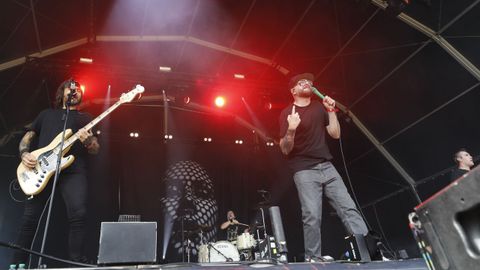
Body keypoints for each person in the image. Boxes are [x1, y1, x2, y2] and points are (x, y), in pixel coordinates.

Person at [278, 73, 368, 262]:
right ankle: (313, 258)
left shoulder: (319, 107)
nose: (307, 83)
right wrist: (291, 129)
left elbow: (335, 134)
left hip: (327, 166)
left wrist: (331, 111)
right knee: (312, 214)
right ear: (293, 90)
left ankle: (367, 251)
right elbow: (285, 149)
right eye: (301, 82)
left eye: (309, 82)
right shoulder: (287, 113)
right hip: (304, 169)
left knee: (348, 208)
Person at [13, 78, 100, 264]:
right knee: (30, 218)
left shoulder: (86, 118)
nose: (74, 92)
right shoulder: (46, 114)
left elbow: (95, 148)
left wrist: (87, 142)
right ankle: (17, 263)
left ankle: (76, 263)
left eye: (77, 90)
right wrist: (24, 153)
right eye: (70, 89)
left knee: (78, 215)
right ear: (62, 93)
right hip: (41, 168)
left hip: (74, 170)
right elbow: (27, 137)